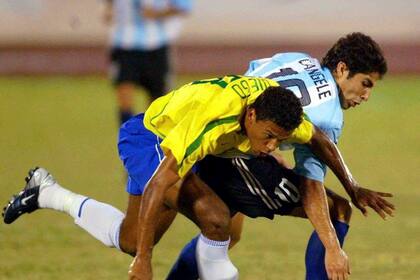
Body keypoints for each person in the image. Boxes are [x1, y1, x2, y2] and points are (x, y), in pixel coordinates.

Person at [4, 76, 321, 280]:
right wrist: (145, 260)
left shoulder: (279, 113)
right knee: (215, 218)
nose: (272, 145)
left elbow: (320, 140)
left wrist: (353, 186)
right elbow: (159, 182)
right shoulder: (214, 119)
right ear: (251, 116)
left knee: (131, 238)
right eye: (269, 137)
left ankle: (46, 192)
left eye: (280, 140)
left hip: (175, 141)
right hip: (149, 138)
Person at [168, 32, 395, 280]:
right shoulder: (328, 116)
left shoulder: (298, 60)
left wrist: (265, 145)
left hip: (210, 136)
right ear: (342, 69)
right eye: (366, 83)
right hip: (236, 159)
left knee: (226, 232)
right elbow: (311, 185)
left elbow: (250, 79)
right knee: (337, 210)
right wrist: (333, 247)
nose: (366, 96)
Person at [103, 0, 192, 126]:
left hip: (156, 44)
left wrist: (158, 13)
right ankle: (128, 139)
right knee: (124, 95)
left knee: (157, 104)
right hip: (124, 44)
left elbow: (183, 6)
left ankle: (150, 140)